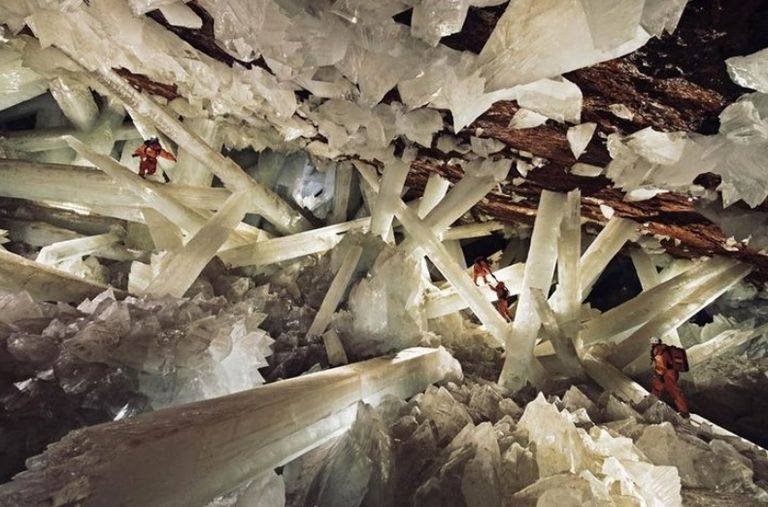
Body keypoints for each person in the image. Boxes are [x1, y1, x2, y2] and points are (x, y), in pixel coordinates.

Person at [650, 336, 690, 418]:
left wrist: (660, 374)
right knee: (666, 389)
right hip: (673, 372)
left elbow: (660, 363)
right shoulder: (665, 348)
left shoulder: (658, 350)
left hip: (666, 373)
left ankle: (684, 412)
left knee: (672, 391)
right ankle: (651, 403)